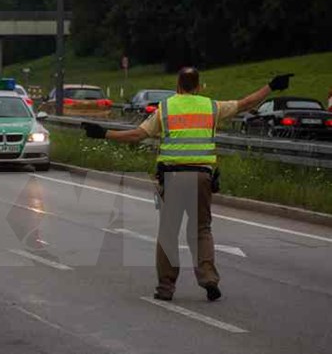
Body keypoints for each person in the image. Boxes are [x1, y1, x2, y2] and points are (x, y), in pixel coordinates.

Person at [83, 68, 293, 301]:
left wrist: (104, 134)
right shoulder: (211, 107)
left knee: (168, 233)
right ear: (199, 86)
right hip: (202, 177)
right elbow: (246, 103)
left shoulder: (166, 108)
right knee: (202, 229)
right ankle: (208, 278)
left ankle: (166, 288)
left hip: (172, 178)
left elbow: (137, 135)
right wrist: (271, 86)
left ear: (178, 85)